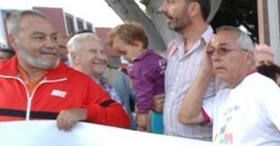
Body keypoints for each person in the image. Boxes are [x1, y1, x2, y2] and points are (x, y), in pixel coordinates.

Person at [0, 10, 129, 129]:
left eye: (54, 38)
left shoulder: (79, 81)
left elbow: (121, 118)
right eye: (39, 37)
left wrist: (85, 113)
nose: (51, 44)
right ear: (14, 41)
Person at [161, 0, 218, 140]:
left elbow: (230, 107)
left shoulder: (219, 51)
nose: (162, 8)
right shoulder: (173, 48)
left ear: (193, 9)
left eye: (169, 2)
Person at [108, 22, 167, 133]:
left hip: (157, 112)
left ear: (138, 44)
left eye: (124, 53)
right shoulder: (156, 57)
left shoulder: (140, 66)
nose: (124, 58)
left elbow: (143, 91)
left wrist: (141, 113)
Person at [67, 32, 134, 120]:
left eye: (102, 52)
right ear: (75, 57)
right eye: (93, 51)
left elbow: (122, 119)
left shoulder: (105, 84)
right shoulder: (66, 88)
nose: (101, 57)